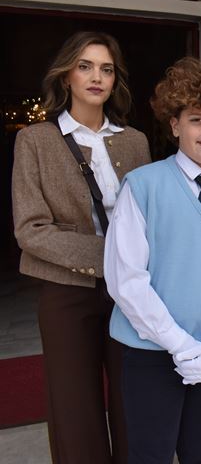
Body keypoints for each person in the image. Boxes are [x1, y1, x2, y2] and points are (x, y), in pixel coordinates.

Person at [104, 57, 201, 463]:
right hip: (153, 353)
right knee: (150, 454)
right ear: (175, 125)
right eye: (197, 120)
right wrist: (181, 346)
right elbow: (126, 280)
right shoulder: (142, 186)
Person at [12, 31, 150, 464]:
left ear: (115, 80)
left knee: (135, 398)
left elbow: (149, 219)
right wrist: (110, 258)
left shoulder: (135, 141)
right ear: (66, 75)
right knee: (74, 407)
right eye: (85, 66)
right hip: (66, 291)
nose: (96, 77)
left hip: (129, 290)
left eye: (106, 69)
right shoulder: (35, 140)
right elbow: (31, 229)